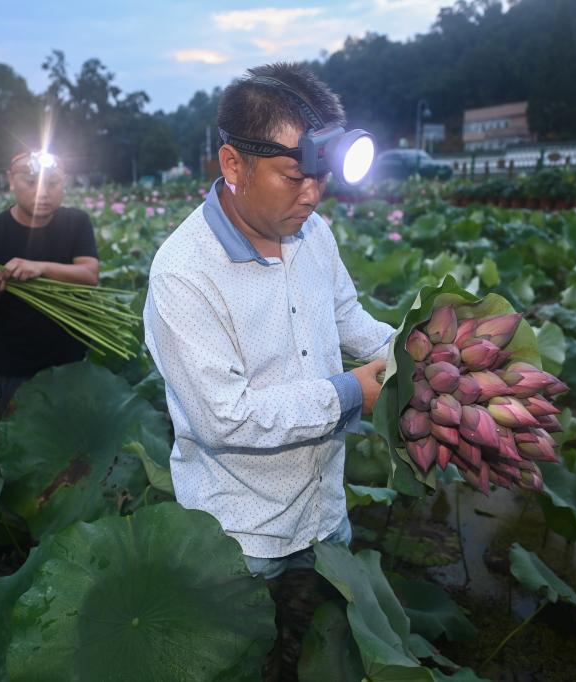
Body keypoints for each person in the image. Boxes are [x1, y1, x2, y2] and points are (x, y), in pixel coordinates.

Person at [142, 62, 391, 677]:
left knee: (310, 656)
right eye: (293, 177)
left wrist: (424, 350)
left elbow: (348, 319)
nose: (312, 195)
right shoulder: (182, 274)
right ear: (233, 165)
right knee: (243, 666)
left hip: (323, 516)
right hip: (240, 538)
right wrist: (352, 392)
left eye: (322, 179)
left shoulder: (314, 232)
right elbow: (227, 417)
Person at [0, 150, 99, 415]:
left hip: (72, 364)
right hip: (16, 369)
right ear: (10, 180)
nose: (42, 193)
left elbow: (89, 275)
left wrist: (40, 267)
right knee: (23, 449)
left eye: (52, 183)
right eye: (31, 182)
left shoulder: (76, 223)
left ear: (65, 182)